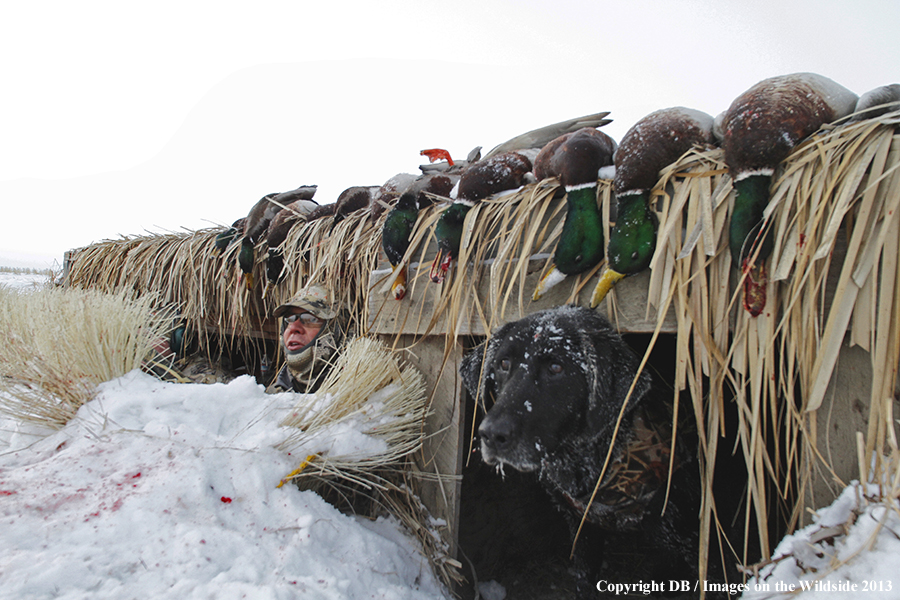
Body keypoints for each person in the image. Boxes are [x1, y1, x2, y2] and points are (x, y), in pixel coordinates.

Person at [266, 284, 350, 393]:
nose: (293, 328)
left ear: (336, 331)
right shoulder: (270, 398)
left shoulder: (355, 399)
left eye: (311, 319)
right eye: (289, 319)